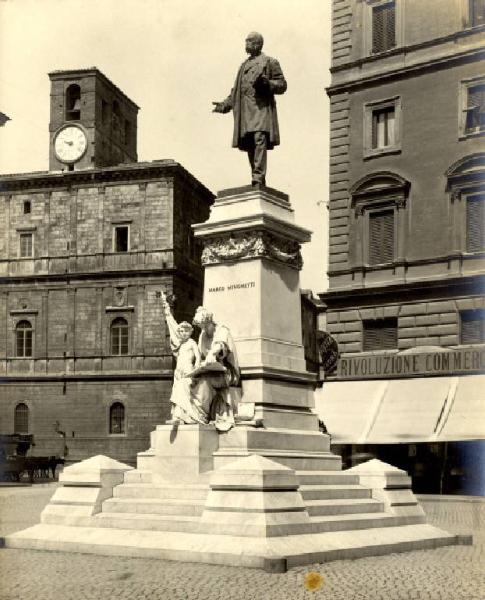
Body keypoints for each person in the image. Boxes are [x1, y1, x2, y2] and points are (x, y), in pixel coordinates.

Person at [212, 31, 287, 186]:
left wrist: (268, 84)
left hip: (261, 109)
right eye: (245, 41)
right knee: (250, 143)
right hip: (246, 112)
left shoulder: (269, 62)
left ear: (258, 44)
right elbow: (236, 92)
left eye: (249, 41)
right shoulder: (243, 66)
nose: (246, 44)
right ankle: (257, 176)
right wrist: (223, 105)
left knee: (260, 139)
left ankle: (258, 176)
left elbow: (282, 84)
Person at [161, 293, 206, 425]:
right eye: (181, 331)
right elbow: (171, 323)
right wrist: (166, 308)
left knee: (185, 393)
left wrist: (195, 371)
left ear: (190, 332)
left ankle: (186, 417)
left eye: (186, 331)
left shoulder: (192, 342)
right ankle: (177, 417)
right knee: (177, 392)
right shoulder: (180, 344)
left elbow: (198, 357)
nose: (183, 333)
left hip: (188, 371)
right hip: (178, 371)